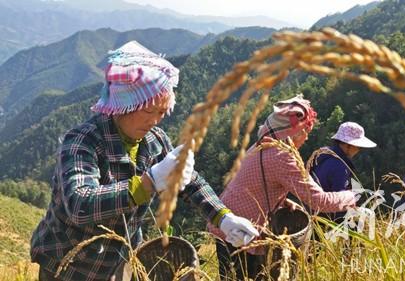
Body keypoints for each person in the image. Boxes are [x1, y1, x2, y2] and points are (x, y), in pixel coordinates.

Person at [30, 41, 258, 281]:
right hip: (71, 265)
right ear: (122, 105)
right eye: (148, 111)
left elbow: (190, 182)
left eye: (161, 112)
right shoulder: (83, 142)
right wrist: (148, 182)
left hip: (119, 263)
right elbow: (80, 204)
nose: (155, 121)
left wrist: (223, 218)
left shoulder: (154, 141)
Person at [208, 95, 357, 280]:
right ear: (291, 132)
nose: (307, 136)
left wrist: (280, 200)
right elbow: (319, 201)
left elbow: (254, 185)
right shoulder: (282, 157)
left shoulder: (261, 145)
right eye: (305, 130)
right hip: (242, 231)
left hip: (226, 221)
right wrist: (352, 197)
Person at [309, 121, 377, 222]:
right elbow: (339, 202)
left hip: (312, 212)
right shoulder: (339, 166)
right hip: (325, 219)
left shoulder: (322, 156)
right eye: (358, 147)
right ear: (347, 145)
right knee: (369, 214)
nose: (358, 150)